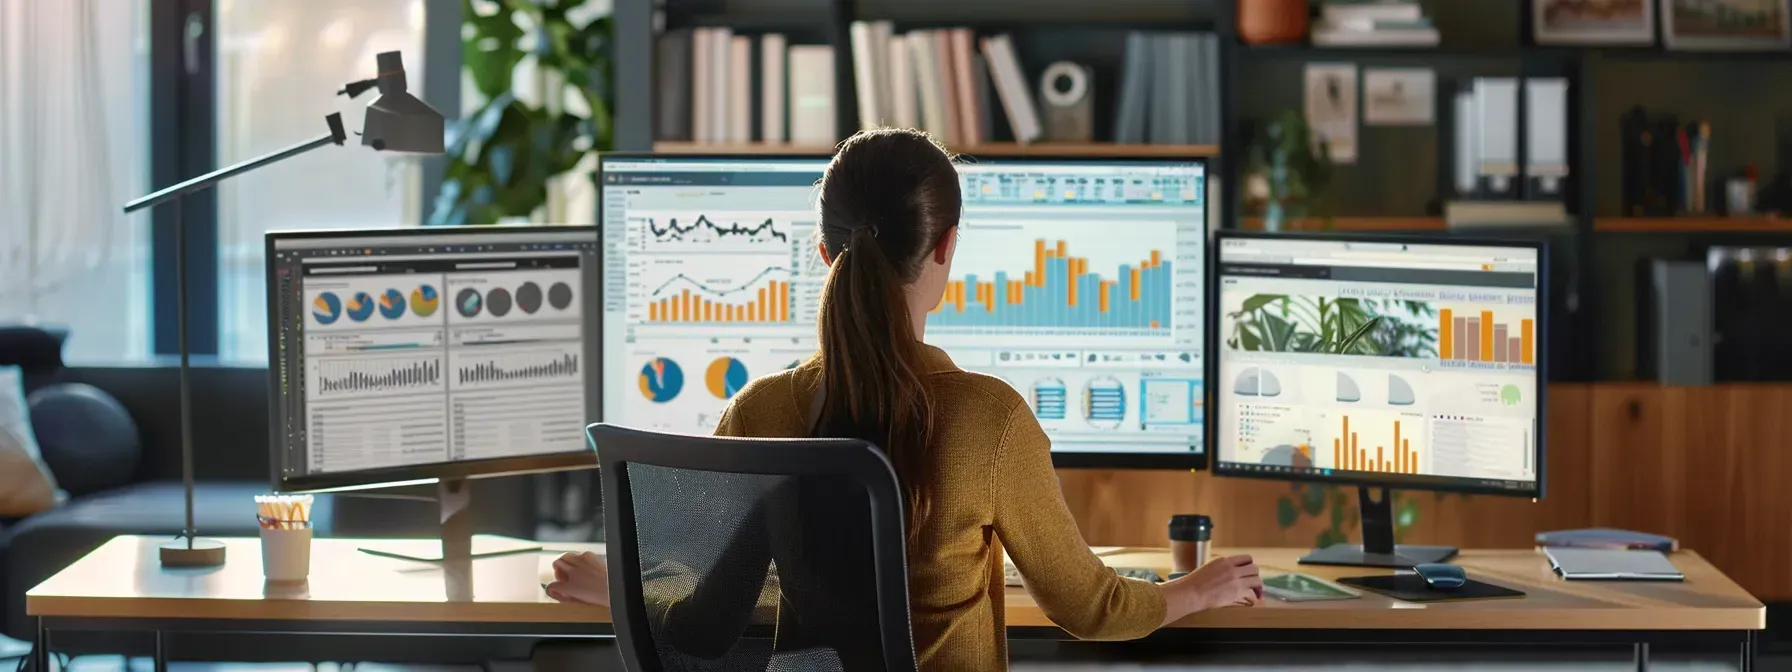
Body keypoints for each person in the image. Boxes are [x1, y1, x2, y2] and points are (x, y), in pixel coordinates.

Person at [547, 128, 1261, 669]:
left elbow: (706, 624)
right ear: (947, 247)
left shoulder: (761, 412)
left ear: (825, 255)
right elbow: (1088, 607)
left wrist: (625, 589)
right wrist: (1196, 589)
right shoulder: (990, 422)